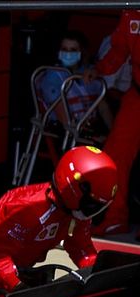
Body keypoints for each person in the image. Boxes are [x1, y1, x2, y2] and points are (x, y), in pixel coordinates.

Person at [0, 145, 116, 293]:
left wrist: (99, 276)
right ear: (75, 189)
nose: (94, 212)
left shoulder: (74, 212)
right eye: (93, 205)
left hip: (16, 272)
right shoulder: (26, 208)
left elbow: (81, 247)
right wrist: (17, 287)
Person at [91, 10, 140, 236]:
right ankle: (114, 219)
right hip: (137, 94)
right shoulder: (131, 11)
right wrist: (98, 70)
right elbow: (119, 49)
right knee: (115, 156)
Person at [37, 31, 113, 131]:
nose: (68, 53)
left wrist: (114, 133)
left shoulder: (90, 73)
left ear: (82, 52)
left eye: (73, 50)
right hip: (65, 132)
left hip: (91, 128)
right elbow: (62, 116)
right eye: (64, 49)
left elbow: (103, 107)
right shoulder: (54, 76)